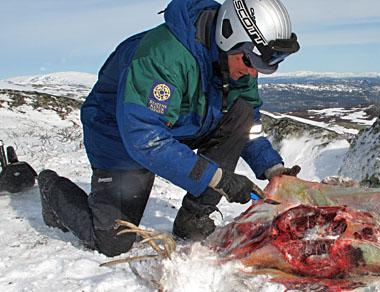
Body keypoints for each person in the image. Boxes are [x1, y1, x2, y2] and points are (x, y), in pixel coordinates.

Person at [37, 0, 301, 257]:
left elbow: (248, 121)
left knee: (241, 112)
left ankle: (193, 218)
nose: (253, 74)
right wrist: (219, 179)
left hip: (177, 127)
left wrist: (272, 168)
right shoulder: (163, 56)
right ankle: (51, 188)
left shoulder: (238, 62)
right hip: (120, 136)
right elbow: (145, 138)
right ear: (228, 37)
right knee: (112, 241)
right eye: (250, 63)